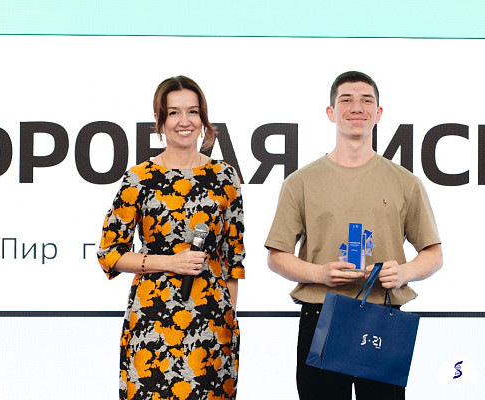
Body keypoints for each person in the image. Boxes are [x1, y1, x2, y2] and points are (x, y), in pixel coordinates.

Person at [264, 71, 443, 400]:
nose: (356, 107)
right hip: (321, 314)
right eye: (346, 100)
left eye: (366, 100)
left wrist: (404, 272)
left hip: (382, 317)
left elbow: (433, 254)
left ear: (379, 113)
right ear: (331, 112)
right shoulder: (300, 182)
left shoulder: (406, 182)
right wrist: (318, 273)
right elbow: (277, 257)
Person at [97, 76, 245, 400]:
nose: (184, 121)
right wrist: (170, 262)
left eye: (192, 112)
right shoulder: (139, 178)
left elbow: (232, 260)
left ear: (203, 119)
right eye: (174, 112)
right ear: (160, 120)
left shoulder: (225, 176)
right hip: (152, 321)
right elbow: (110, 253)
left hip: (212, 323)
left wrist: (228, 321)